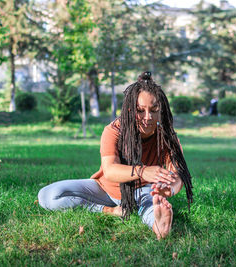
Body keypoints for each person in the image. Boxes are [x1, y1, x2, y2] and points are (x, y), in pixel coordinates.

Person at [38, 72, 193, 239]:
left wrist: (169, 188)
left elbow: (178, 175)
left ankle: (159, 225)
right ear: (129, 109)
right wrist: (143, 171)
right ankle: (108, 210)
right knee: (48, 194)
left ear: (161, 110)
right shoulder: (114, 130)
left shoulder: (168, 138)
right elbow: (110, 170)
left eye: (154, 110)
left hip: (141, 192)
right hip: (103, 189)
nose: (147, 117)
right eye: (140, 110)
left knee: (150, 202)